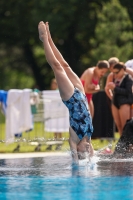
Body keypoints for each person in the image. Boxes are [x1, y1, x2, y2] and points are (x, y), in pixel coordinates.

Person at [38, 21, 94, 164]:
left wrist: (77, 161)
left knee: (57, 67)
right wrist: (90, 160)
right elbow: (92, 158)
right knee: (65, 65)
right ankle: (49, 37)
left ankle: (44, 39)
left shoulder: (74, 139)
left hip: (70, 98)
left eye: (84, 151)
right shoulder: (88, 137)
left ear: (78, 150)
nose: (88, 149)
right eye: (88, 150)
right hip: (81, 94)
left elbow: (75, 161)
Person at [106, 62, 133, 136]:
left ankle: (128, 145)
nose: (115, 74)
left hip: (124, 102)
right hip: (115, 102)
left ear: (122, 70)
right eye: (114, 73)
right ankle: (122, 145)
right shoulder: (114, 78)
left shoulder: (128, 78)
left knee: (125, 126)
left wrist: (115, 88)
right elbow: (107, 89)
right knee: (119, 126)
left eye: (117, 72)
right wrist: (111, 96)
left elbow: (128, 91)